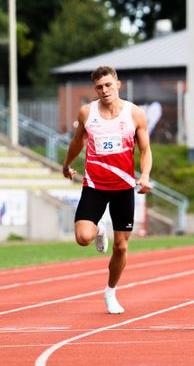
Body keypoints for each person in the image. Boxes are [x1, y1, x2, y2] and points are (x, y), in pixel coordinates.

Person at [62, 66, 152, 314]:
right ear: (95, 89)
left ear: (118, 85)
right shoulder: (87, 113)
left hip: (123, 187)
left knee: (121, 247)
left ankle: (111, 291)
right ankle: (101, 228)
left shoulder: (134, 114)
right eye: (100, 87)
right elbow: (77, 142)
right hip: (95, 185)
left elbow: (145, 150)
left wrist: (144, 175)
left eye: (108, 85)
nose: (105, 90)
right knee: (83, 238)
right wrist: (67, 164)